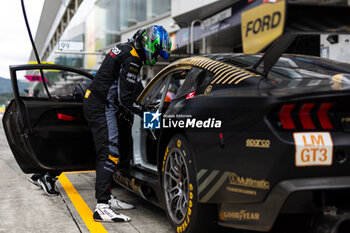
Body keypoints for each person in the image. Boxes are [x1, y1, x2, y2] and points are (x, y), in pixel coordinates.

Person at [83, 25, 171, 222]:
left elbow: (129, 91)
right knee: (110, 152)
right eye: (156, 52)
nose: (155, 58)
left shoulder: (126, 48)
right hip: (102, 106)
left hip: (98, 103)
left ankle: (107, 197)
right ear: (150, 44)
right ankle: (102, 207)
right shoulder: (132, 58)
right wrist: (146, 112)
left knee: (113, 151)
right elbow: (126, 99)